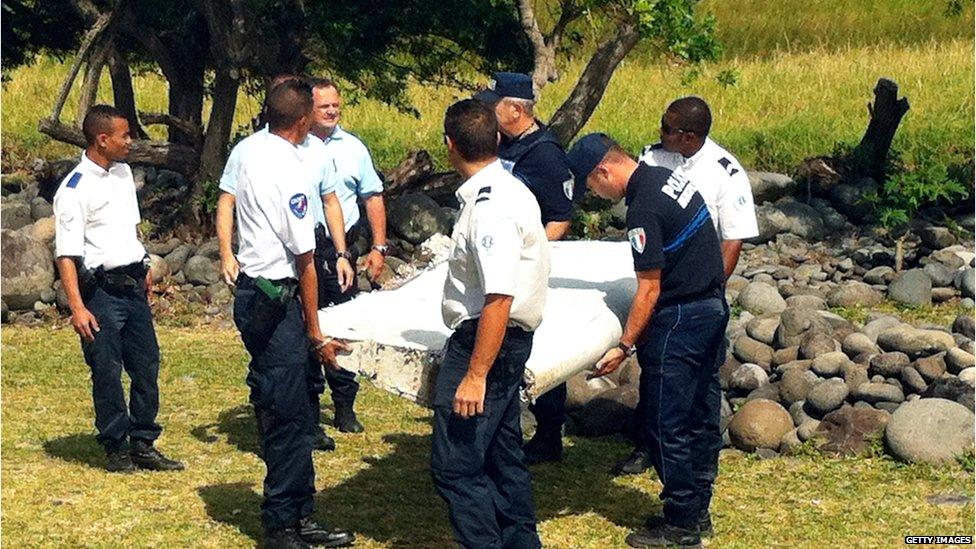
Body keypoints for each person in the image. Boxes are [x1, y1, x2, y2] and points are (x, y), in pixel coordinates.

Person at [566, 133, 729, 548]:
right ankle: (697, 508)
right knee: (699, 413)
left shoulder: (642, 209)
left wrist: (623, 346)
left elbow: (649, 289)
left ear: (604, 171)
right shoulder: (664, 178)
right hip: (712, 306)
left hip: (679, 320)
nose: (594, 195)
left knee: (664, 422)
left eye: (591, 187)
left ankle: (682, 524)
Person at [230, 79, 354, 548]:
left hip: (256, 292)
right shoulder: (289, 169)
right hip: (275, 298)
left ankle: (302, 515)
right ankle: (282, 523)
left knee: (296, 408)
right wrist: (317, 330)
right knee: (288, 414)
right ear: (303, 121)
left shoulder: (251, 152)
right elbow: (305, 258)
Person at [614, 96, 759, 476]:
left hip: (696, 290)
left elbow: (732, 240)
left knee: (702, 381)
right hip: (658, 282)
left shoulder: (724, 172)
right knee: (654, 368)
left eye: (667, 127)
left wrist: (707, 287)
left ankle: (702, 458)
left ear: (689, 136)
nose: (659, 132)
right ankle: (647, 445)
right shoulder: (653, 157)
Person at [430, 99, 550, 549]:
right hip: (504, 339)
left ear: (450, 146)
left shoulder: (489, 207)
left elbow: (499, 296)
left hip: (486, 342)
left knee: (456, 466)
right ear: (498, 139)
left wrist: (475, 375)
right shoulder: (512, 189)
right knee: (502, 456)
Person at [53, 105, 184, 474]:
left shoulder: (124, 173)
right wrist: (77, 307)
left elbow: (129, 228)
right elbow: (66, 254)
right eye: (124, 135)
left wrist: (142, 263)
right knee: (107, 371)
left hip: (133, 287)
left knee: (146, 366)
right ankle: (116, 446)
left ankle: (143, 441)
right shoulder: (74, 189)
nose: (130, 141)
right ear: (102, 139)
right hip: (101, 293)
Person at [474, 71, 576, 464]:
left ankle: (549, 432)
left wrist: (532, 255)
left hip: (528, 266)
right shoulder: (503, 146)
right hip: (499, 257)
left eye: (493, 105)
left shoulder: (545, 153)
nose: (487, 111)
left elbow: (561, 217)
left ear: (516, 110)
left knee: (536, 347)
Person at [306, 77, 389, 434]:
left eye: (336, 105)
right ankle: (307, 409)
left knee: (343, 324)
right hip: (307, 248)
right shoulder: (295, 147)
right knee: (306, 325)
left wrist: (378, 247)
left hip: (343, 250)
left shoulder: (354, 147)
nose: (331, 111)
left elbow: (372, 196)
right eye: (324, 105)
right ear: (307, 108)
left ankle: (344, 405)